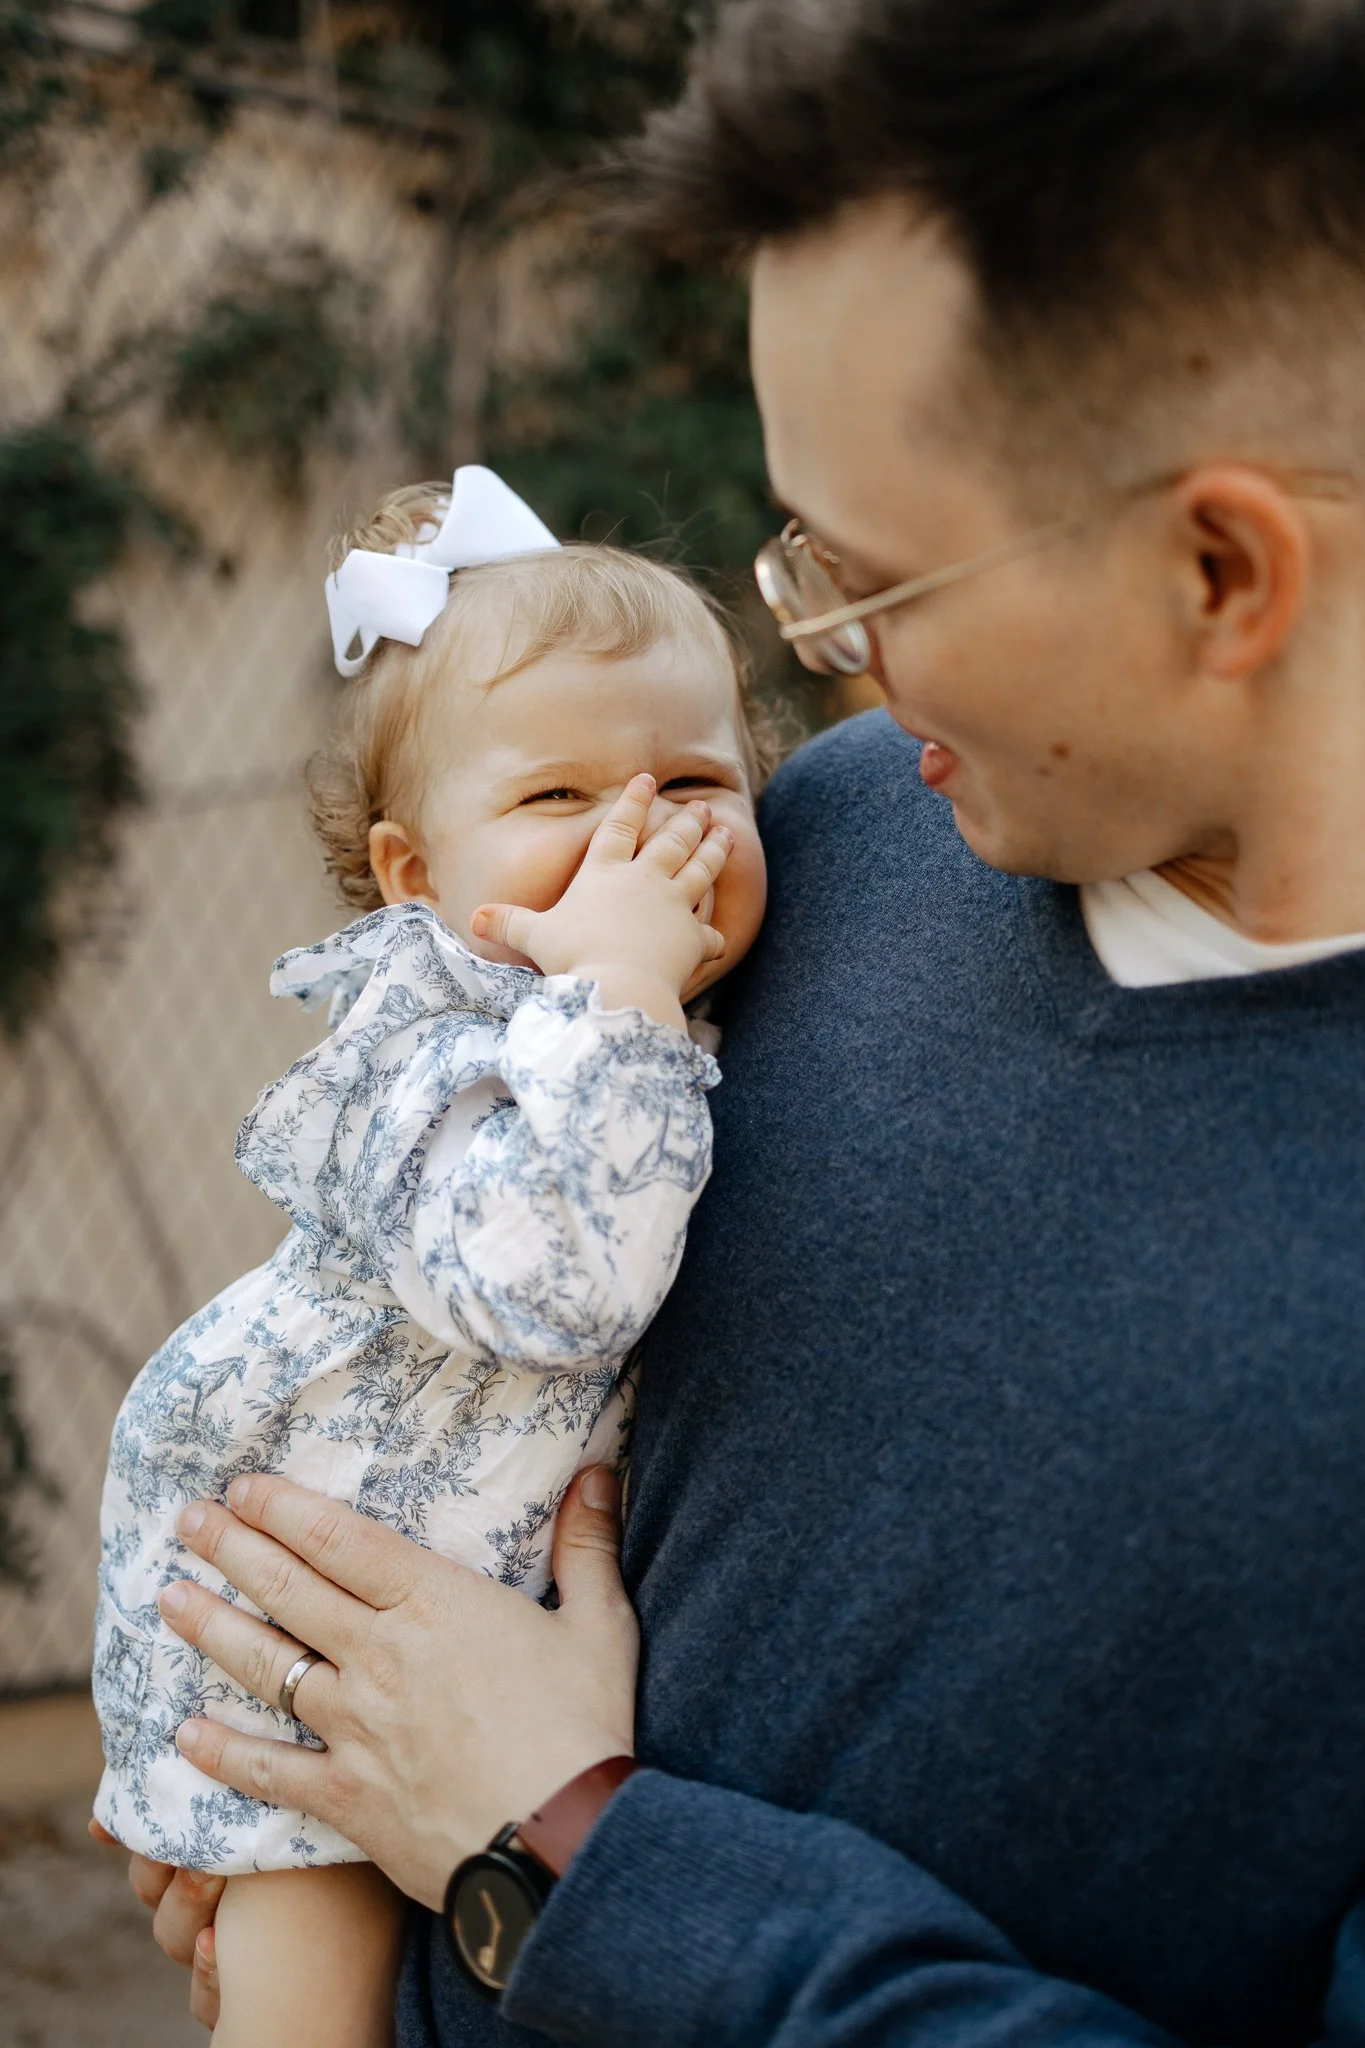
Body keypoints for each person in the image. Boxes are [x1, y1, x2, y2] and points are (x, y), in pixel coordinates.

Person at [105, 0, 1365, 2042]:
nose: (821, 660)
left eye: (869, 579)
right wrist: (321, 1779)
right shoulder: (831, 838)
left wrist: (555, 1846)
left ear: (1222, 568)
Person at [89, 464, 768, 2045]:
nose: (637, 837)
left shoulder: (683, 1011)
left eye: (698, 784)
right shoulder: (418, 1049)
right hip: (296, 1596)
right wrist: (621, 995)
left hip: (459, 1631)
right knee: (309, 1999)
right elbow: (553, 1283)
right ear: (417, 880)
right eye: (556, 801)